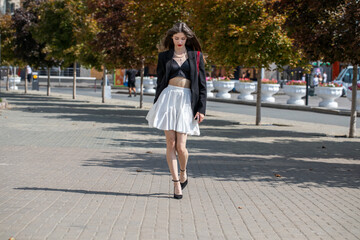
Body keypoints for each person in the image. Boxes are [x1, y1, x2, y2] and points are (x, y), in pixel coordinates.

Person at [146, 22, 206, 199]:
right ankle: (175, 183)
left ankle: (183, 171)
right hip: (168, 99)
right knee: (171, 143)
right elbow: (160, 82)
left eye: (182, 38)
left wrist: (201, 108)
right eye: (176, 38)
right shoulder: (164, 56)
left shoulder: (196, 56)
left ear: (187, 39)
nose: (179, 41)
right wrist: (156, 104)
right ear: (171, 39)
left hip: (187, 101)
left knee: (181, 146)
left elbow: (203, 85)